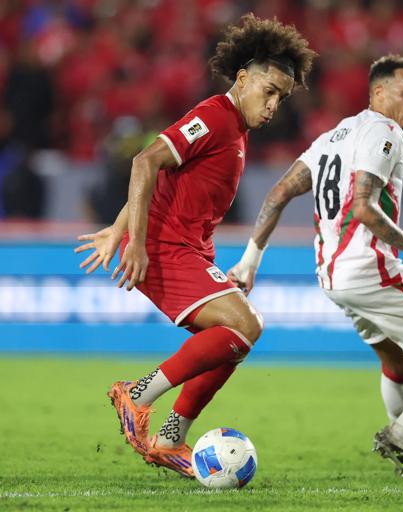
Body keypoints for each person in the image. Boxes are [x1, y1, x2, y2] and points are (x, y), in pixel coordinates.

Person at [74, 15, 317, 478]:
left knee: (233, 342)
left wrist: (118, 227)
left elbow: (162, 176)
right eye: (268, 91)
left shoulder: (235, 129)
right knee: (247, 324)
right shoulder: (215, 117)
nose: (273, 105)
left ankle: (170, 439)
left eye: (281, 98)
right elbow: (145, 161)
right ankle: (136, 394)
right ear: (242, 79)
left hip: (189, 249)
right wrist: (135, 241)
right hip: (165, 247)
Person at [227, 55, 403, 480]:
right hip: (368, 269)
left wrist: (248, 261)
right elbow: (363, 207)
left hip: (332, 276)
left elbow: (277, 194)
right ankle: (402, 433)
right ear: (379, 93)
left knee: (399, 361)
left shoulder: (332, 136)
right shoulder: (386, 132)